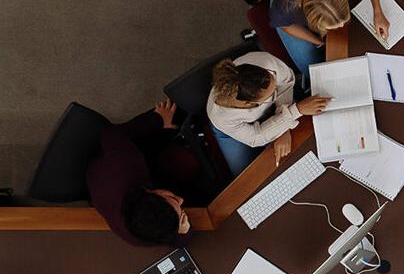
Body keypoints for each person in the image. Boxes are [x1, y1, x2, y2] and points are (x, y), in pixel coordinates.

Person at [87, 99, 194, 246]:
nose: (181, 200)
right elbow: (176, 241)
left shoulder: (125, 165)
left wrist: (157, 120)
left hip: (109, 166)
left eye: (173, 198)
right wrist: (183, 232)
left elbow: (110, 134)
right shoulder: (146, 233)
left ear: (150, 193)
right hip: (109, 189)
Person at [207, 50, 330, 177]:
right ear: (247, 104)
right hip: (231, 131)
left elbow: (285, 85)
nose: (276, 84)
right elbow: (256, 137)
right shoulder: (221, 117)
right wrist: (296, 111)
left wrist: (283, 129)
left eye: (274, 80)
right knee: (245, 174)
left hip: (269, 110)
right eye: (272, 94)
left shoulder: (266, 64)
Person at [269, 0, 390, 88]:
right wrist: (318, 42)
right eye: (335, 25)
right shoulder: (286, 10)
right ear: (314, 22)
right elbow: (286, 27)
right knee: (314, 71)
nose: (342, 26)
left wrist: (377, 11)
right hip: (285, 11)